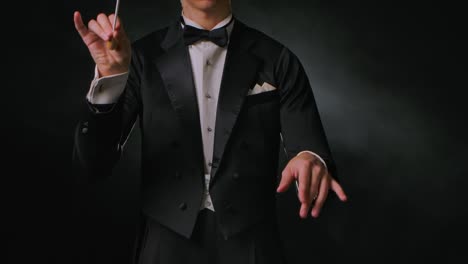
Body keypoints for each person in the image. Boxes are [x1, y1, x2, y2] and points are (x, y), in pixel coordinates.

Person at [73, 0, 347, 263]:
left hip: (252, 245)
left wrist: (311, 158)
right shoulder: (140, 57)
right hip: (164, 245)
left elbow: (308, 146)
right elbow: (94, 164)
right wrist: (110, 78)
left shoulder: (279, 59)